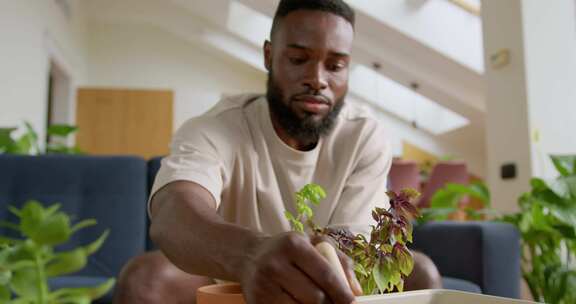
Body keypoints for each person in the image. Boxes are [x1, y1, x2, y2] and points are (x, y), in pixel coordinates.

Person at [113, 1, 442, 303]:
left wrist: (311, 266)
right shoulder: (216, 128)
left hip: (332, 276)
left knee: (422, 273)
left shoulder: (364, 135)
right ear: (269, 56)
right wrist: (250, 255)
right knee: (145, 279)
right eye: (299, 60)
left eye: (335, 65)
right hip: (228, 275)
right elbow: (174, 212)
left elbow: (354, 240)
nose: (317, 79)